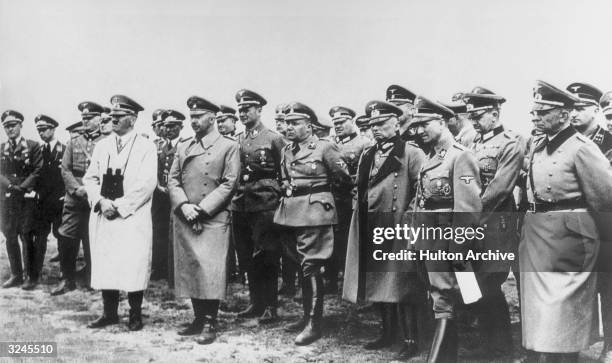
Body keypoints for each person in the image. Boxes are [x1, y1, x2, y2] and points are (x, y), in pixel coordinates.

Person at [519, 80, 612, 362]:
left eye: (543, 111)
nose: (535, 117)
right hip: (538, 235)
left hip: (571, 236)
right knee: (540, 310)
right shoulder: (537, 146)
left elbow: (605, 199)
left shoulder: (582, 148)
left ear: (563, 114)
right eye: (534, 111)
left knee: (565, 310)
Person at [342, 100, 427, 359]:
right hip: (372, 224)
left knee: (402, 283)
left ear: (396, 123)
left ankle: (411, 339)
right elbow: (360, 187)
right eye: (372, 125)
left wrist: (409, 221)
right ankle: (387, 332)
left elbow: (420, 191)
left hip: (399, 225)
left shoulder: (411, 153)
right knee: (377, 280)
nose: (376, 129)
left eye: (381, 124)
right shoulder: (369, 154)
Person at [274, 101, 352, 345]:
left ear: (309, 126)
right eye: (286, 123)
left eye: (295, 123)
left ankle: (314, 323)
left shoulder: (325, 147)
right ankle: (306, 316)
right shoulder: (287, 150)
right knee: (300, 265)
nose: (289, 128)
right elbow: (285, 178)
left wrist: (325, 204)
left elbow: (343, 180)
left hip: (316, 212)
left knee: (311, 266)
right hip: (291, 212)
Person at [412, 96, 482, 363]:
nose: (418, 132)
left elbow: (469, 207)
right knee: (439, 297)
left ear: (441, 122)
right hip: (429, 240)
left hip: (447, 242)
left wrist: (458, 249)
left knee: (444, 298)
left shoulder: (459, 155)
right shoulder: (431, 156)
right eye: (415, 127)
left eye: (424, 125)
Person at [168, 95, 240, 344]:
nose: (193, 121)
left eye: (198, 117)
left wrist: (202, 208)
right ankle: (198, 318)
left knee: (211, 268)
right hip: (186, 215)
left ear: (212, 118)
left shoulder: (228, 146)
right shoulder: (183, 146)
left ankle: (210, 321)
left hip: (213, 216)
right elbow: (172, 180)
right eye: (191, 117)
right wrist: (184, 205)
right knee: (191, 267)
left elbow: (230, 182)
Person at [84, 94, 156, 331]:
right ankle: (109, 313)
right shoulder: (102, 146)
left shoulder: (146, 146)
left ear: (132, 119)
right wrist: (101, 202)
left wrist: (120, 206)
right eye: (112, 116)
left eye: (119, 116)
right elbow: (90, 178)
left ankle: (135, 314)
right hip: (104, 214)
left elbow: (146, 184)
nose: (113, 119)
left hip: (131, 217)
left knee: (133, 262)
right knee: (107, 261)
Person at [462, 87, 524, 358]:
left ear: (494, 113)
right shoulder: (471, 142)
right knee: (468, 280)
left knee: (489, 282)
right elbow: (464, 178)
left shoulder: (512, 142)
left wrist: (469, 215)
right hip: (469, 220)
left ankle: (500, 347)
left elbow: (500, 189)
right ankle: (484, 337)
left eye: (478, 116)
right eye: (471, 116)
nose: (473, 121)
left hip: (494, 224)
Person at [232, 89, 285, 324]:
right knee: (246, 255)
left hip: (265, 203)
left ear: (259, 110)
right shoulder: (239, 139)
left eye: (247, 109)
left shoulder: (273, 138)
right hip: (241, 204)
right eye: (240, 110)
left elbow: (285, 171)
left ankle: (271, 306)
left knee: (267, 255)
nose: (243, 113)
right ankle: (256, 302)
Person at [51, 101, 106, 295]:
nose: (86, 120)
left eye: (90, 117)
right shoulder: (74, 140)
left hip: (96, 198)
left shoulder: (108, 140)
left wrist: (91, 191)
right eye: (83, 117)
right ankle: (67, 279)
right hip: (74, 198)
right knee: (67, 237)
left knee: (94, 238)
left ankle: (93, 277)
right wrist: (76, 188)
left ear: (100, 118)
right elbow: (65, 169)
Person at [326, 105, 370, 294]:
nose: (338, 126)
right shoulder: (329, 143)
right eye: (335, 123)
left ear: (352, 121)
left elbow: (365, 173)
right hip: (332, 197)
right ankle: (331, 279)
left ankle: (354, 280)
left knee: (351, 239)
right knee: (332, 239)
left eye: (342, 122)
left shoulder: (364, 143)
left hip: (351, 198)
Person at [0, 110, 43, 288]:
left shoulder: (32, 146)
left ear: (20, 126)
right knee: (10, 235)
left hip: (26, 198)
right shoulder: (1, 148)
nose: (10, 129)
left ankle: (30, 276)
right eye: (6, 126)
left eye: (13, 125)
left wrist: (22, 187)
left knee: (26, 235)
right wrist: (10, 186)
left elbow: (37, 170)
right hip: (8, 197)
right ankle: (16, 274)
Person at [150, 109, 185, 281]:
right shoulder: (162, 146)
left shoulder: (185, 145)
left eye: (172, 126)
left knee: (176, 231)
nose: (168, 129)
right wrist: (158, 184)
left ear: (181, 126)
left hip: (176, 194)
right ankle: (159, 267)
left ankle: (174, 270)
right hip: (160, 194)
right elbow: (156, 169)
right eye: (166, 126)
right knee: (159, 230)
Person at [32, 114, 66, 290]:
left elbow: (68, 174)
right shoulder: (36, 150)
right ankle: (34, 273)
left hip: (59, 202)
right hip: (42, 202)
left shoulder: (64, 149)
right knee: (39, 238)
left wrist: (65, 195)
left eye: (44, 129)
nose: (41, 132)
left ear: (53, 129)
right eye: (39, 130)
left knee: (62, 237)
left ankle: (64, 273)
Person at [386, 84, 424, 148]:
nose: (393, 110)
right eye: (391, 107)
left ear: (412, 110)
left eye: (397, 105)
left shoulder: (420, 134)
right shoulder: (390, 134)